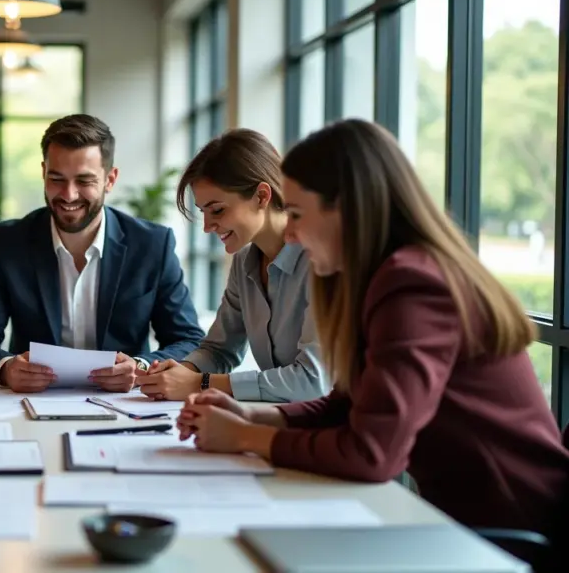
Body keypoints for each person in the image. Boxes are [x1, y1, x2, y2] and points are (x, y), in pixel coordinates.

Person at [177, 119, 569, 538]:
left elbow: (371, 454)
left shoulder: (413, 282)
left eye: (296, 214)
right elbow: (345, 405)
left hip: (514, 533)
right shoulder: (386, 276)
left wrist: (247, 438)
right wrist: (256, 417)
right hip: (463, 524)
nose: (288, 232)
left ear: (345, 210)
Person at [0, 114, 205, 393]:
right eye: (56, 179)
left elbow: (189, 340)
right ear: (43, 173)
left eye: (84, 181)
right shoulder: (7, 242)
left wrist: (141, 367)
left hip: (124, 406)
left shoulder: (151, 244)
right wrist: (4, 368)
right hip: (28, 402)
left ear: (110, 180)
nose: (69, 195)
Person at [137, 129, 327, 403]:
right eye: (203, 212)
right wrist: (180, 372)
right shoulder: (244, 262)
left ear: (262, 196)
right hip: (282, 420)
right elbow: (219, 350)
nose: (206, 227)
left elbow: (311, 381)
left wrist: (199, 383)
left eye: (218, 210)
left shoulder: (321, 260)